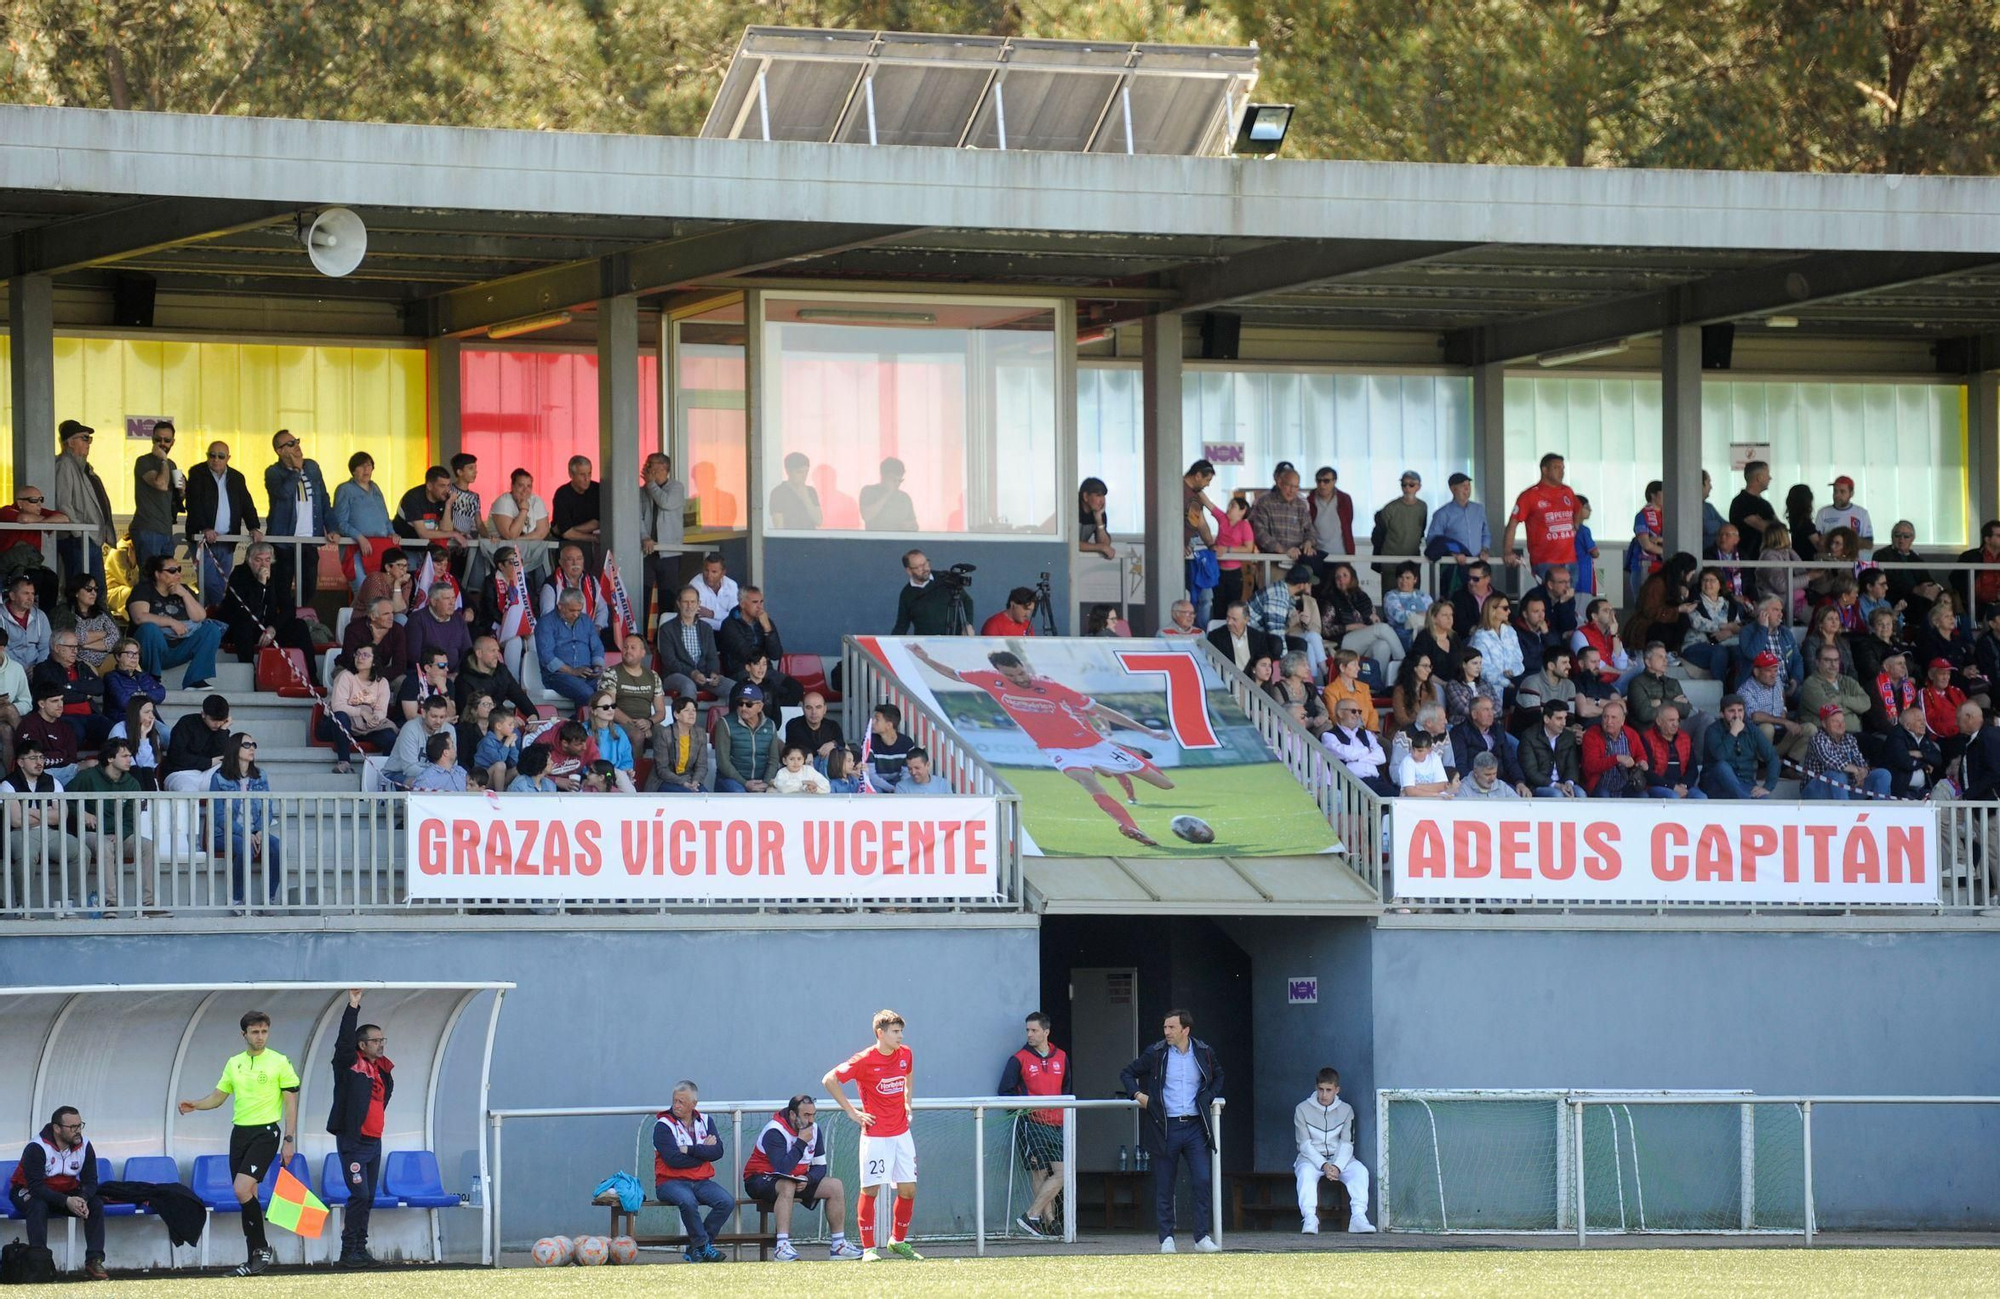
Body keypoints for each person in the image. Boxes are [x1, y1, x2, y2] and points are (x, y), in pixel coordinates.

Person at [907, 645, 1174, 841]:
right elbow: (954, 674)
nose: (1020, 679)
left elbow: (1102, 711)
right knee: (1087, 780)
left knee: (1165, 785)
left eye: (1021, 672)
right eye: (1012, 676)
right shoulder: (990, 680)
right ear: (1000, 673)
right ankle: (1129, 827)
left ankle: (1125, 754)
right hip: (1057, 750)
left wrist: (1147, 732)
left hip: (1092, 743)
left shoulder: (1049, 686)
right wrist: (926, 658)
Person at [178, 1009, 299, 1276]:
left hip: (266, 1133)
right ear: (243, 1034)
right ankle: (253, 1258)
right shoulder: (235, 1063)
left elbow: (290, 1102)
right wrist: (196, 1104)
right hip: (240, 1134)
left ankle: (262, 1247)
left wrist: (289, 1139)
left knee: (241, 1189)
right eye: (255, 1032)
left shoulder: (279, 1062)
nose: (260, 1037)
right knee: (248, 1194)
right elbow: (219, 1096)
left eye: (264, 1031)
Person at [1120, 1009, 1223, 1255]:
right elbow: (1127, 1073)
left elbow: (1219, 1075)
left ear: (1185, 1030)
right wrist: (1137, 1095)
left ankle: (1201, 1237)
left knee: (1202, 1179)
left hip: (1196, 1126)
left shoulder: (1204, 1052)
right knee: (1165, 1185)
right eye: (1165, 1027)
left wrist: (1208, 1096)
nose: (1166, 1032)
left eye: (1172, 1028)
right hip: (1166, 1126)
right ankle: (1166, 1238)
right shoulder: (1156, 1053)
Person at [824, 1009, 923, 1263]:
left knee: (909, 1190)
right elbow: (830, 1079)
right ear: (881, 1033)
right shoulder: (864, 1059)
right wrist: (852, 1112)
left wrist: (907, 1101)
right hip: (876, 1135)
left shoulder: (906, 1054)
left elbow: (908, 1074)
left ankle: (897, 1241)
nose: (900, 1036)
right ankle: (868, 1248)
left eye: (901, 1031)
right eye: (895, 1031)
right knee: (870, 1190)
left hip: (902, 1133)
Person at [743, 1095, 861, 1262]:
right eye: (806, 1115)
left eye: (813, 1115)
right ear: (792, 1114)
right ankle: (782, 1246)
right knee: (787, 1184)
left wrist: (808, 1179)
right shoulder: (775, 1130)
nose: (811, 1120)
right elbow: (782, 1168)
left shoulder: (814, 1129)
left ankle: (838, 1245)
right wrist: (801, 1142)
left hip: (796, 1179)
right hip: (760, 1179)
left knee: (835, 1186)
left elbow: (820, 1166)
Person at [325, 988, 394, 1269]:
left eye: (382, 1040)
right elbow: (343, 1043)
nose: (381, 1045)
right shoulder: (350, 1065)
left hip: (374, 1142)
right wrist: (353, 1007)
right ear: (362, 1045)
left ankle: (360, 1249)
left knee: (370, 1197)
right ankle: (348, 1251)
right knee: (360, 1195)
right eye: (375, 1041)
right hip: (354, 1142)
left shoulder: (381, 1070)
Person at [8, 1105, 109, 1279]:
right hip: (29, 1191)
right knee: (38, 1205)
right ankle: (40, 1262)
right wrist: (66, 1201)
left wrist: (82, 1198)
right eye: (73, 1127)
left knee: (95, 1204)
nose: (78, 1131)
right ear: (57, 1128)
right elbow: (36, 1187)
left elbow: (91, 1181)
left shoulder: (85, 1146)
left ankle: (94, 1261)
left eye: (80, 1125)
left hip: (65, 1191)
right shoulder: (37, 1147)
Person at [996, 1011, 1070, 1239]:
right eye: (1027, 1030)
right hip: (1032, 1123)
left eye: (1034, 1030)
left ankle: (1031, 1215)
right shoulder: (1018, 1059)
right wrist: (1022, 1112)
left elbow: (1066, 1090)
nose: (1030, 1034)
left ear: (1046, 1032)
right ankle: (1049, 1222)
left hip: (1057, 1124)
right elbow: (1004, 1092)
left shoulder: (1062, 1057)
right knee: (1038, 1172)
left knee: (1062, 1173)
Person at [651, 1081, 732, 1265]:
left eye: (681, 1102)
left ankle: (698, 1247)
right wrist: (704, 1152)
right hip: (669, 1182)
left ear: (694, 1104)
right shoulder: (662, 1126)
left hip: (701, 1180)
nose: (676, 1105)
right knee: (687, 1201)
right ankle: (704, 1247)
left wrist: (690, 1149)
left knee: (726, 1202)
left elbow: (718, 1152)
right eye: (675, 1101)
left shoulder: (706, 1120)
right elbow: (673, 1160)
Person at [264, 429, 345, 609]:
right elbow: (283, 494)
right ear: (279, 451)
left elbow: (324, 499)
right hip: (283, 540)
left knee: (308, 586)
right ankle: (283, 621)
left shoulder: (312, 467)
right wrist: (296, 471)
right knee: (281, 587)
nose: (297, 446)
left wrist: (332, 528)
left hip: (309, 539)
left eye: (297, 441)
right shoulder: (273, 472)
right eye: (291, 444)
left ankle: (294, 616)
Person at [3, 742, 89, 909]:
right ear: (20, 762)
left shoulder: (52, 781)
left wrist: (28, 810)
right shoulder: (8, 784)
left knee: (81, 852)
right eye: (33, 758)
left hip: (49, 833)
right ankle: (23, 907)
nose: (39, 762)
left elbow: (61, 816)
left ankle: (68, 903)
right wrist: (47, 813)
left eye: (41, 757)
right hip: (19, 833)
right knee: (26, 854)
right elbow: (16, 821)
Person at [220, 541, 320, 683]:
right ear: (249, 561)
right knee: (244, 626)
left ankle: (312, 677)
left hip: (268, 628)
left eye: (267, 560)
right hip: (242, 628)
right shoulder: (239, 574)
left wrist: (273, 628)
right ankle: (249, 677)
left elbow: (288, 609)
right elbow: (245, 610)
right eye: (258, 560)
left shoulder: (277, 575)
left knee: (299, 626)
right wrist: (260, 584)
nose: (263, 565)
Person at [1292, 1068, 1374, 1235]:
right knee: (1305, 1173)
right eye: (1321, 1089)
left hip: (1340, 1160)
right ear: (1316, 1087)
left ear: (1337, 1090)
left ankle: (1358, 1218)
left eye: (1328, 1090)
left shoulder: (1346, 1110)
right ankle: (1309, 1218)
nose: (1324, 1094)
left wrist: (1336, 1166)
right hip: (1311, 1159)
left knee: (1360, 1171)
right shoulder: (1302, 1109)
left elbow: (1347, 1143)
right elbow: (1304, 1144)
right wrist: (1323, 1165)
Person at [128, 553, 225, 689]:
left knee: (212, 630)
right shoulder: (144, 589)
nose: (178, 574)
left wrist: (185, 594)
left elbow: (200, 616)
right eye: (172, 571)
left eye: (179, 569)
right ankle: (151, 678)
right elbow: (139, 617)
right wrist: (171, 621)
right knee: (149, 628)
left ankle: (195, 680)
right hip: (153, 649)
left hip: (179, 647)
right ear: (158, 574)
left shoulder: (182, 589)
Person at [184, 439, 263, 601]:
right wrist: (204, 528)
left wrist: (254, 527)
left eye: (221, 456)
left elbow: (247, 504)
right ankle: (226, 613)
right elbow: (193, 504)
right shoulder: (197, 473)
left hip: (227, 540)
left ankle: (212, 621)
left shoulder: (237, 477)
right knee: (211, 584)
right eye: (212, 455)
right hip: (203, 540)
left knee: (220, 582)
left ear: (228, 458)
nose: (216, 459)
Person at [210, 733, 280, 905]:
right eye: (247, 745)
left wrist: (260, 830)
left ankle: (268, 898)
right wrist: (245, 833)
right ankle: (237, 898)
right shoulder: (219, 777)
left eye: (253, 744)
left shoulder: (260, 776)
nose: (252, 748)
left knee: (277, 846)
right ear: (235, 749)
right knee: (244, 846)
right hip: (224, 832)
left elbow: (267, 808)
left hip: (254, 831)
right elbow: (219, 817)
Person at [51, 420, 117, 587]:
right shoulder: (65, 464)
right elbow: (63, 503)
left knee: (95, 586)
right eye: (85, 438)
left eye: (90, 439)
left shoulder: (83, 467)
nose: (89, 443)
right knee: (85, 588)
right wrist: (79, 532)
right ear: (70, 442)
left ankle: (97, 613)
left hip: (89, 537)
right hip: (79, 539)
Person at [321, 646, 398, 775]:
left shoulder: (382, 682)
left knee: (390, 738)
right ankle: (344, 762)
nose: (359, 658)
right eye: (357, 654)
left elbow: (381, 710)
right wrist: (362, 713)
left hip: (366, 726)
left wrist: (375, 719)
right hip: (337, 725)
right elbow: (338, 706)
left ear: (374, 661)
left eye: (365, 655)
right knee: (341, 716)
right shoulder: (345, 676)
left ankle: (386, 772)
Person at [1501, 453, 1580, 578]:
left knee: (1569, 597)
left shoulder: (1567, 491)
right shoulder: (1529, 495)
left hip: (1570, 560)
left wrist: (1576, 524)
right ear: (1544, 470)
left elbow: (1579, 510)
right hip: (1545, 561)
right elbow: (1512, 524)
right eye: (1556, 468)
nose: (1561, 472)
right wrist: (1507, 551)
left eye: (1562, 468)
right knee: (1548, 597)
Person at [32, 630, 111, 752]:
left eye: (76, 647)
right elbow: (56, 696)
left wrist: (70, 686)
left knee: (111, 729)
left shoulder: (81, 666)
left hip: (90, 715)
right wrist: (85, 695)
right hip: (63, 717)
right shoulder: (43, 669)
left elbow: (99, 687)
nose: (75, 651)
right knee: (75, 731)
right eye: (71, 647)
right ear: (57, 648)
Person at [0, 483, 69, 613]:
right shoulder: (6, 511)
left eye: (40, 500)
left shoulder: (38, 514)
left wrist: (40, 522)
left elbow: (64, 518)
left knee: (51, 578)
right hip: (9, 566)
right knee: (34, 577)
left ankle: (46, 619)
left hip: (32, 564)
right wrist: (47, 521)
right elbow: (23, 518)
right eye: (33, 500)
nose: (39, 504)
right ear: (20, 503)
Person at [333, 451, 397, 589]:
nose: (366, 469)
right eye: (362, 466)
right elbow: (340, 522)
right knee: (364, 592)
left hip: (380, 548)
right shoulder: (345, 489)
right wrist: (359, 537)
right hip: (356, 549)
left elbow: (385, 516)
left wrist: (392, 532)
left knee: (381, 593)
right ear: (353, 470)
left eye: (369, 465)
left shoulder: (376, 488)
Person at [658, 585, 731, 704]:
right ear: (678, 603)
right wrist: (692, 673)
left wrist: (714, 673)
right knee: (688, 685)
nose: (689, 606)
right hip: (675, 675)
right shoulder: (667, 629)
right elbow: (670, 661)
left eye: (693, 602)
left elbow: (712, 656)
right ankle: (686, 722)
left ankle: (730, 722)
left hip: (704, 676)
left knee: (735, 688)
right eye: (685, 602)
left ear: (698, 604)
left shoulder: (706, 628)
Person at [1802, 702, 1890, 800]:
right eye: (1835, 721)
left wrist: (1863, 772)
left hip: (1845, 790)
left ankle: (1877, 813)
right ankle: (1845, 813)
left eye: (1842, 721)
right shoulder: (1818, 738)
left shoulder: (1849, 739)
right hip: (1815, 792)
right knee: (1837, 774)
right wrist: (1854, 769)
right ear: (1824, 723)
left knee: (1883, 774)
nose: (1841, 725)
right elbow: (1829, 761)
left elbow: (1861, 762)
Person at [1424, 471, 1492, 597]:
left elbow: (1486, 533)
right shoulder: (1443, 513)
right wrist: (1455, 552)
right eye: (1463, 486)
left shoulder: (1479, 510)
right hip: (1455, 566)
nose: (1467, 489)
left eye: (1468, 485)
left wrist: (1485, 549)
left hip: (1477, 563)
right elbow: (1433, 539)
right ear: (1453, 489)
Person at [1700, 695, 1780, 799]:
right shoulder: (1713, 730)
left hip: (1745, 784)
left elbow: (1772, 757)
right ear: (1722, 714)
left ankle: (1745, 800)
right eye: (1731, 711)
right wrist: (1733, 733)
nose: (1737, 715)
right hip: (1717, 786)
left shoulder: (1751, 730)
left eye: (1740, 710)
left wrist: (1767, 787)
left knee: (1764, 800)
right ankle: (1745, 802)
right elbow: (1720, 756)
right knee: (1721, 766)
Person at [536, 588, 603, 707]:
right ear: (560, 606)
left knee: (610, 688)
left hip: (586, 673)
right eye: (572, 610)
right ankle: (581, 723)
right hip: (558, 675)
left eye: (579, 610)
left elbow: (597, 647)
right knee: (586, 693)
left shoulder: (586, 620)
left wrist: (597, 667)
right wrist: (572, 671)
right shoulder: (546, 623)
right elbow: (546, 656)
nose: (576, 614)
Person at [1248, 467, 1320, 575]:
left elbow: (1310, 530)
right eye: (1289, 485)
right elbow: (1260, 534)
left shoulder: (1300, 505)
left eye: (1295, 487)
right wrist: (1283, 550)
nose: (1292, 490)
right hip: (1272, 563)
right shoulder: (1265, 502)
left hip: (1298, 564)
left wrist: (1308, 543)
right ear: (1280, 483)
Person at [457, 632, 541, 721]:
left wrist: (532, 714)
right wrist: (505, 720)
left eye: (498, 651)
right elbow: (468, 715)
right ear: (479, 653)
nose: (497, 655)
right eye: (492, 651)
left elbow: (518, 695)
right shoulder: (464, 679)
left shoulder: (502, 671)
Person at [715, 686, 781, 793]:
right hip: (731, 780)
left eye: (749, 704)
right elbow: (723, 763)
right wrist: (745, 783)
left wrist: (765, 782)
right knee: (740, 794)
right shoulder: (725, 723)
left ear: (760, 706)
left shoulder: (770, 725)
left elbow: (773, 759)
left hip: (761, 781)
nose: (743, 708)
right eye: (741, 703)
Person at [402, 580, 472, 681]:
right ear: (434, 601)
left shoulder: (458, 619)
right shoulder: (417, 619)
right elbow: (414, 657)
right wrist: (439, 675)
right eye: (447, 599)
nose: (452, 603)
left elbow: (467, 652)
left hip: (454, 676)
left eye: (453, 598)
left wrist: (456, 673)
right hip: (426, 676)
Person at [891, 549, 970, 636]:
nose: (925, 568)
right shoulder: (907, 594)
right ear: (909, 571)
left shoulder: (946, 579)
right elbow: (902, 625)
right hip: (925, 644)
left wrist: (968, 625)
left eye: (926, 563)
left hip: (953, 640)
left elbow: (967, 601)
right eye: (919, 567)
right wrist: (891, 645)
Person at [52, 572, 118, 672]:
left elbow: (115, 638)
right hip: (79, 662)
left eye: (95, 589)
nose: (93, 593)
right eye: (88, 589)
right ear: (76, 592)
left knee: (128, 665)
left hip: (105, 659)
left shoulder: (101, 612)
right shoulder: (66, 612)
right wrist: (103, 633)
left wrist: (86, 645)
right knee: (91, 675)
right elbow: (74, 638)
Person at [1582, 697, 1648, 798]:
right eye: (1605, 717)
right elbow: (1591, 766)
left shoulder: (1631, 734)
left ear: (1622, 720)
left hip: (1625, 784)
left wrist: (1642, 761)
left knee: (1643, 797)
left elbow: (1641, 754)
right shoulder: (1592, 735)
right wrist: (1617, 758)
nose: (1609, 722)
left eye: (1614, 717)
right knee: (1604, 797)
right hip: (1600, 785)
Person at [383, 695, 453, 789]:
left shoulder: (449, 729)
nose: (438, 721)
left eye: (442, 717)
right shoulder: (410, 729)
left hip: (435, 776)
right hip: (396, 775)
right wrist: (438, 776)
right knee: (418, 783)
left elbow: (452, 762)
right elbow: (409, 769)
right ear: (423, 713)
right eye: (434, 716)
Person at [1322, 701, 1393, 794]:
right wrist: (1368, 750)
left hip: (1376, 781)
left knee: (1397, 801)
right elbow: (1347, 753)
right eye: (1353, 711)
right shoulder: (1328, 736)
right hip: (1350, 785)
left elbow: (1381, 757)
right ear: (1340, 713)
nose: (1357, 715)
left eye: (1359, 712)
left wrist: (1355, 759)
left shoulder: (1367, 734)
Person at [1370, 470, 1428, 582]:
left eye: (1411, 484)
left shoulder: (1422, 507)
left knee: (1412, 595)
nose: (1407, 488)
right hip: (1391, 560)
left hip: (1412, 558)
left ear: (1418, 487)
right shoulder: (1391, 508)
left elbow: (1421, 530)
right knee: (1390, 594)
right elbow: (1378, 534)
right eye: (1404, 484)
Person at [547, 455, 603, 569]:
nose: (587, 478)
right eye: (582, 474)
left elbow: (597, 523)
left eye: (589, 473)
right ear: (571, 475)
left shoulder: (597, 490)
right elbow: (567, 534)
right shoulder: (562, 494)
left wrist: (567, 529)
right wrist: (594, 538)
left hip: (588, 548)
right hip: (564, 545)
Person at [1520, 700, 1584, 797]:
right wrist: (1555, 785)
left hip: (1563, 783)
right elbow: (1531, 772)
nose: (1564, 723)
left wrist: (1569, 782)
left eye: (1565, 718)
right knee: (1557, 795)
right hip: (1539, 786)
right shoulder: (1529, 737)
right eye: (1559, 718)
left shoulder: (1569, 737)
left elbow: (1572, 766)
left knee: (1580, 794)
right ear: (1546, 719)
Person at [19, 684, 80, 784]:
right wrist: (62, 754)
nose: (60, 705)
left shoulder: (66, 728)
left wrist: (51, 756)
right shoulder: (29, 725)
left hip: (65, 773)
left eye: (61, 700)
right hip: (35, 776)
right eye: (55, 701)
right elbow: (33, 760)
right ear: (42, 704)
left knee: (91, 767)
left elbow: (72, 759)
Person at [1573, 598, 1637, 691]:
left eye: (1612, 611)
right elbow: (1592, 664)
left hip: (1614, 683)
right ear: (1595, 616)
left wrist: (1614, 635)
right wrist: (1620, 672)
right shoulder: (1581, 634)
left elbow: (1621, 664)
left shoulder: (1612, 634)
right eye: (1606, 610)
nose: (1611, 614)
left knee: (1641, 668)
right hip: (1593, 684)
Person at [1627, 642, 1695, 729]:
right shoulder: (1637, 683)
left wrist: (1660, 702)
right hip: (1651, 732)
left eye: (1666, 657)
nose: (1665, 660)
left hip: (1674, 729)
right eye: (1660, 657)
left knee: (1705, 718)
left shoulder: (1673, 683)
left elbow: (1685, 710)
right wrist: (1673, 703)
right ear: (1648, 662)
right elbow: (1645, 714)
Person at [650, 696, 711, 793]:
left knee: (704, 795)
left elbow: (702, 766)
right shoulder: (664, 733)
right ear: (676, 714)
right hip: (665, 781)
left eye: (694, 711)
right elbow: (662, 769)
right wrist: (683, 783)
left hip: (690, 780)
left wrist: (695, 781)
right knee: (688, 795)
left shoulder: (700, 733)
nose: (692, 714)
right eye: (687, 710)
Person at [583, 689, 635, 784]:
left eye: (613, 706)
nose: (611, 710)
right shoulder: (583, 730)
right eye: (606, 707)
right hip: (591, 776)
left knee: (623, 778)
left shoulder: (618, 731)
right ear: (593, 711)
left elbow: (626, 760)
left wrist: (627, 771)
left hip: (614, 776)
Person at [2, 572, 53, 669]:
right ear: (12, 596)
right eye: (26, 593)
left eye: (32, 594)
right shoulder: (1, 616)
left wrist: (39, 669)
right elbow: (2, 650)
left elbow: (46, 647)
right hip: (9, 669)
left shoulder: (40, 616)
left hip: (36, 669)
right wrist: (19, 670)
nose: (30, 598)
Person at [1729, 459, 1779, 552]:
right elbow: (1767, 528)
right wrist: (1771, 524)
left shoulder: (1765, 504)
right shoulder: (1740, 502)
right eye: (1767, 474)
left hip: (1768, 557)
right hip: (1748, 559)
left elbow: (1780, 530)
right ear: (1759, 477)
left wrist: (1771, 525)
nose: (1770, 478)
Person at [859, 457, 920, 532]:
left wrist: (912, 527)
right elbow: (866, 516)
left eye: (900, 480)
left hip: (899, 542)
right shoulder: (868, 491)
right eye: (893, 480)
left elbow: (913, 523)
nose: (897, 484)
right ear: (883, 476)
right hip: (875, 541)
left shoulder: (905, 497)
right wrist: (888, 493)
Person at [767, 451, 822, 533]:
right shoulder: (778, 493)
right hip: (789, 541)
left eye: (806, 472)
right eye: (799, 472)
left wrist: (806, 498)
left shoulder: (811, 491)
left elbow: (819, 521)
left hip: (810, 540)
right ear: (788, 471)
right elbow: (778, 527)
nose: (804, 476)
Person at [1306, 465, 1355, 558]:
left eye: (1326, 481)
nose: (1322, 485)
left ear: (1334, 481)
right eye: (1318, 481)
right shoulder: (1309, 501)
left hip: (1341, 554)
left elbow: (1348, 523)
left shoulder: (1344, 500)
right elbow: (1307, 528)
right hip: (1317, 555)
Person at [785, 691, 843, 768]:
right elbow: (792, 747)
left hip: (829, 769)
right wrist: (807, 752)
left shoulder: (832, 726)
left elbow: (842, 743)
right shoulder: (793, 725)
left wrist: (833, 744)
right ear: (803, 709)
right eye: (809, 707)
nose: (814, 712)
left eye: (818, 707)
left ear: (825, 709)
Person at [1078, 476, 1118, 561]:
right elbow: (1070, 542)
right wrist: (1100, 547)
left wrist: (1099, 520)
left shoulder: (1098, 511)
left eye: (1103, 496)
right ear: (1085, 496)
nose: (1102, 501)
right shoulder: (1071, 510)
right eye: (1098, 496)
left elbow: (1105, 545)